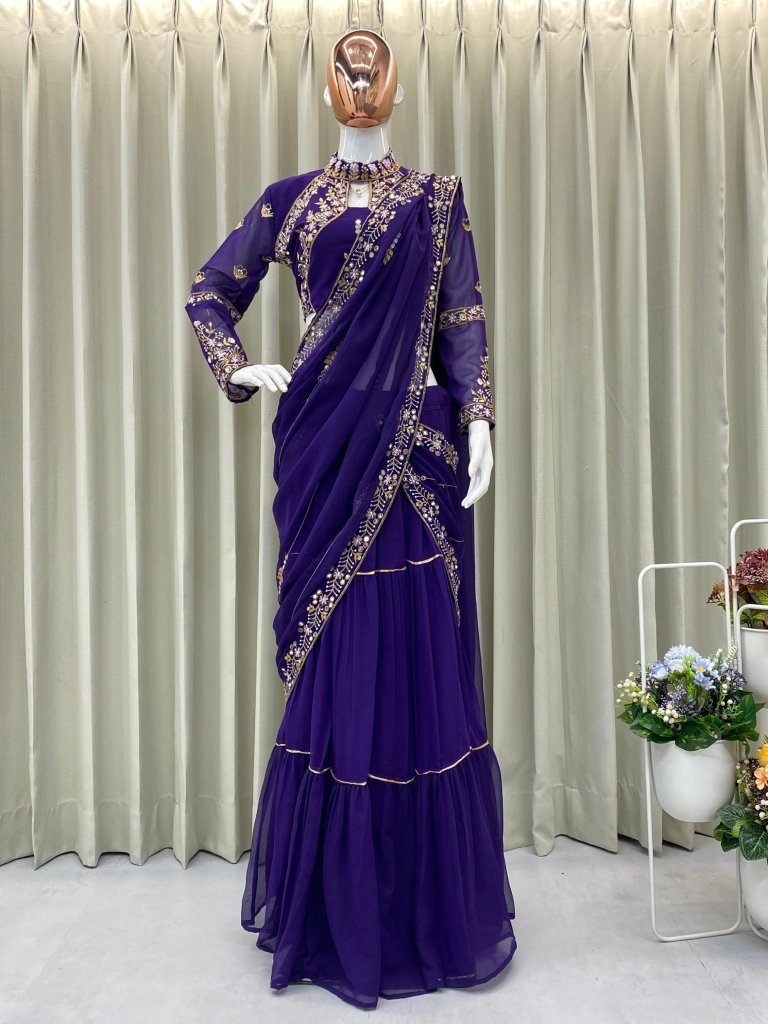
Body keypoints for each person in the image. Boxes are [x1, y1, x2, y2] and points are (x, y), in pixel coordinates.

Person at [184, 28, 516, 1011]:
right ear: (326, 87)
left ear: (399, 90)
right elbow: (210, 292)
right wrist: (240, 365)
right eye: (347, 70)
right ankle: (336, 911)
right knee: (340, 655)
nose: (362, 83)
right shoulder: (289, 202)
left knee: (417, 656)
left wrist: (481, 418)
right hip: (327, 452)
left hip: (416, 452)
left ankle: (425, 909)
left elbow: (462, 320)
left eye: (376, 72)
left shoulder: (437, 200)